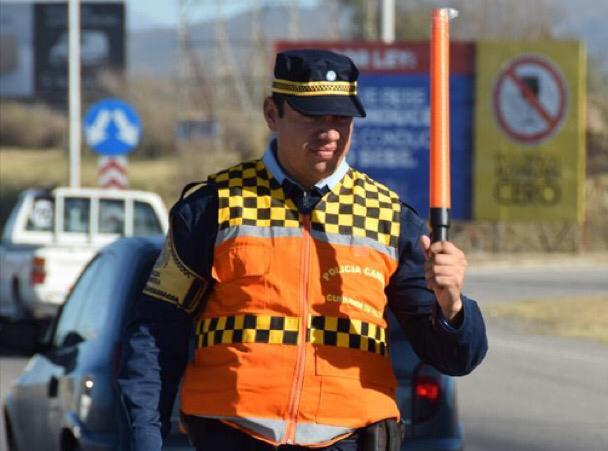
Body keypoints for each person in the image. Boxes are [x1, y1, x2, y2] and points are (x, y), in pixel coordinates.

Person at [117, 49, 488, 451]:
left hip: (351, 441)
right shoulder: (212, 207)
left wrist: (452, 305)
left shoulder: (394, 221)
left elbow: (456, 359)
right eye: (313, 116)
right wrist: (145, 440)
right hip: (235, 438)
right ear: (272, 114)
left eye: (341, 118)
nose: (330, 132)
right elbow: (156, 333)